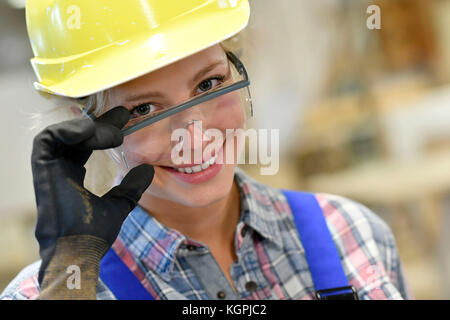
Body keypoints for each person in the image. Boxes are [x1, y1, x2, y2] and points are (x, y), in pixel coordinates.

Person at [1, 0, 411, 300]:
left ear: (237, 65)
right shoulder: (47, 294)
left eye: (209, 84)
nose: (194, 137)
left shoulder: (355, 235)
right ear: (84, 125)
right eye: (143, 108)